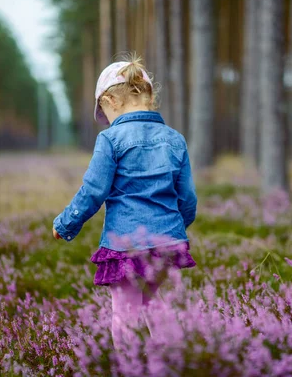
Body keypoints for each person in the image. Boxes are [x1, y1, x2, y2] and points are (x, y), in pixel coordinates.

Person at [52, 53, 197, 348]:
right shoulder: (175, 139)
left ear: (113, 101)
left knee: (126, 314)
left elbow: (94, 191)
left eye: (105, 112)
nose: (107, 121)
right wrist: (175, 228)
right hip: (168, 243)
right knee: (158, 310)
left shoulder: (110, 139)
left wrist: (65, 223)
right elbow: (188, 198)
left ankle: (128, 366)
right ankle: (165, 363)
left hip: (125, 244)